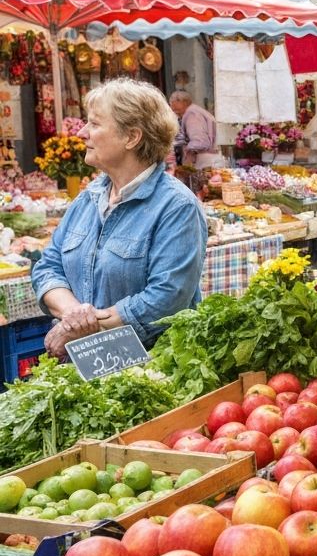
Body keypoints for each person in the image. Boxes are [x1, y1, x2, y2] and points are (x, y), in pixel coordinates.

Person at [33, 78, 208, 355]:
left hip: (150, 368)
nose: (82, 132)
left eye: (94, 123)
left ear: (132, 137)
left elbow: (166, 298)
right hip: (83, 363)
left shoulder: (176, 206)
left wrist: (86, 327)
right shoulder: (88, 197)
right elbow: (48, 267)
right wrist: (74, 316)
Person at [168, 90, 219, 168]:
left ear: (184, 102)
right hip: (208, 160)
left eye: (173, 102)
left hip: (204, 161)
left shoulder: (192, 114)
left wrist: (187, 152)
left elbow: (199, 142)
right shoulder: (195, 111)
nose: (172, 107)